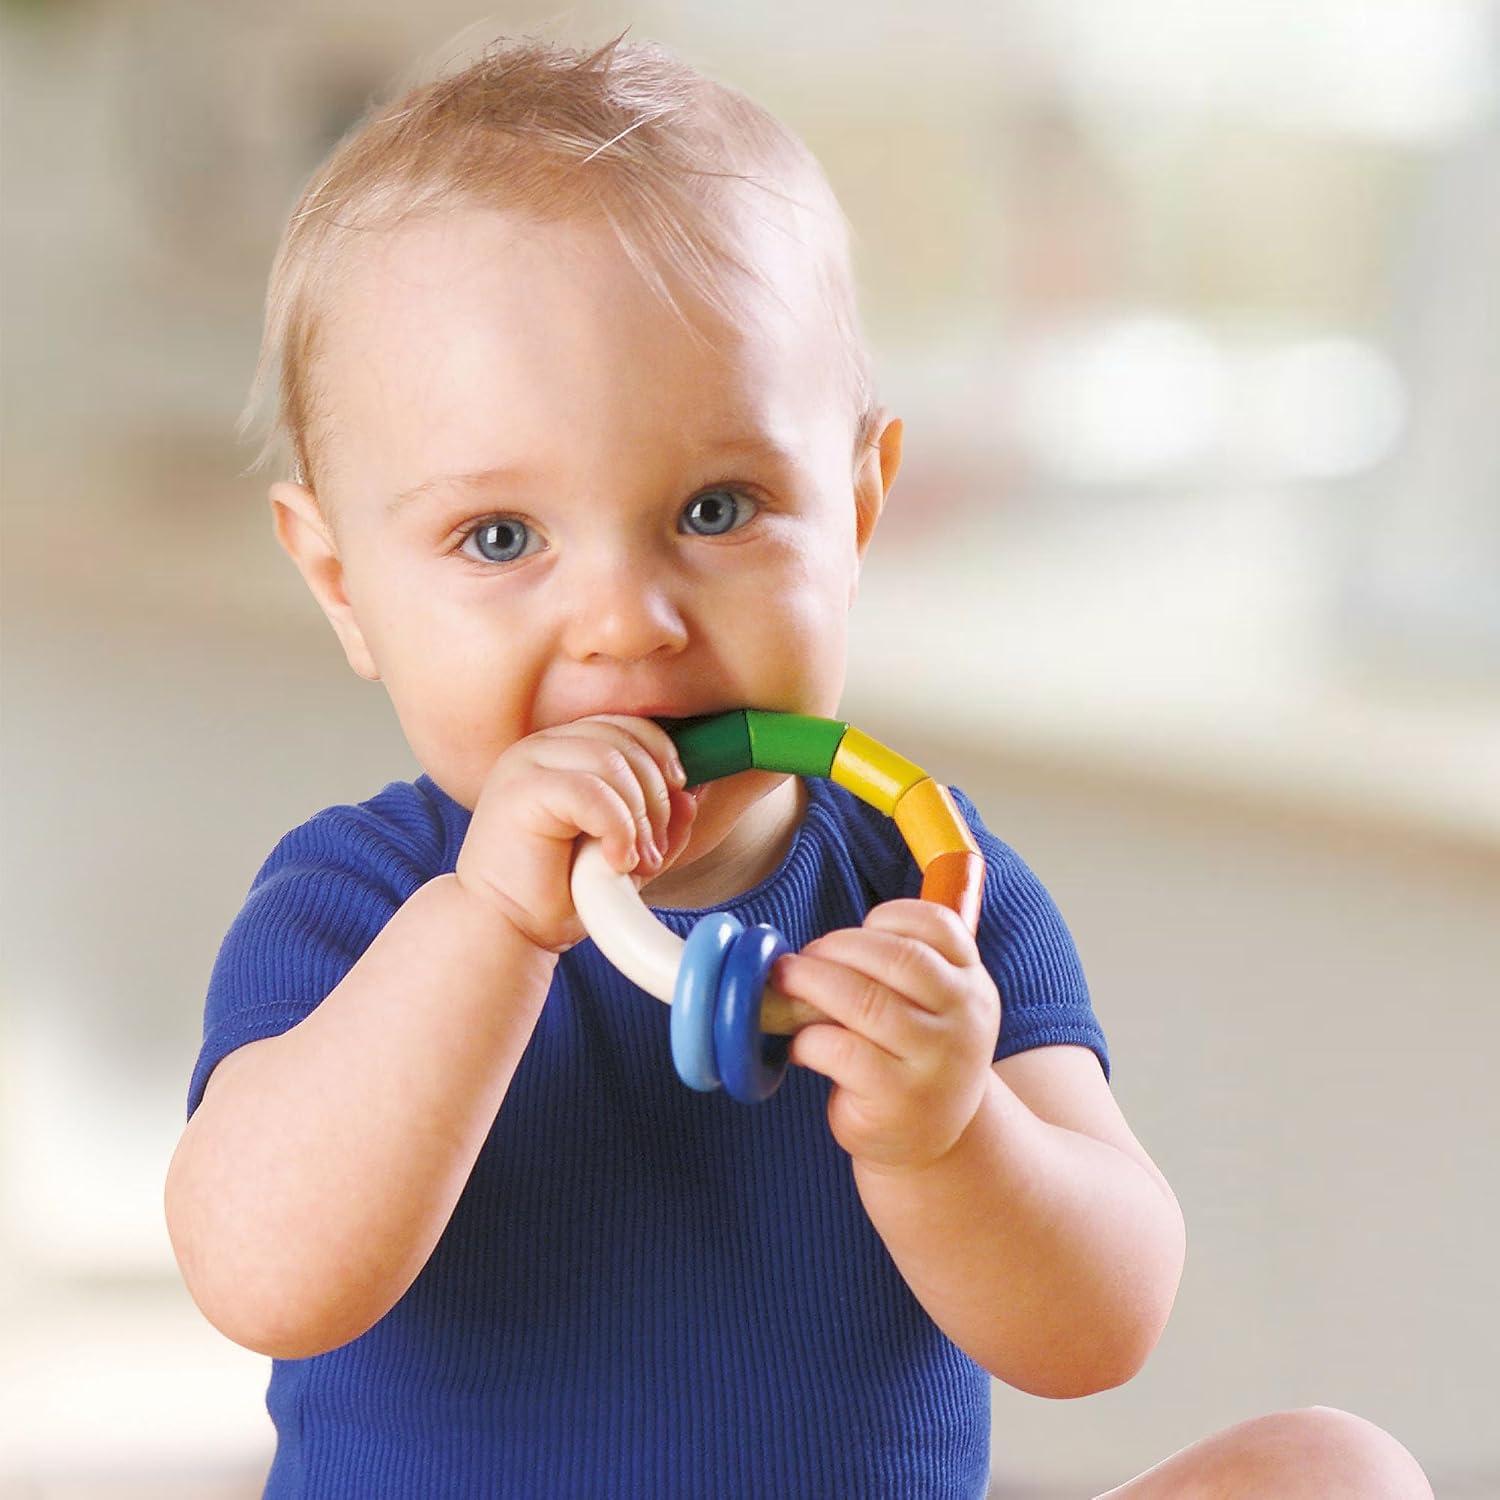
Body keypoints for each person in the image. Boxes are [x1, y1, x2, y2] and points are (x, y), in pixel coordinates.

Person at [163, 29, 1434, 1499]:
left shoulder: (932, 892)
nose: (626, 626)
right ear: (340, 585)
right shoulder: (362, 898)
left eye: (717, 509)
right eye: (500, 539)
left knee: (1333, 1471)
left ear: (858, 504)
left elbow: (1103, 1323)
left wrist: (952, 1136)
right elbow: (261, 1277)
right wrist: (488, 932)